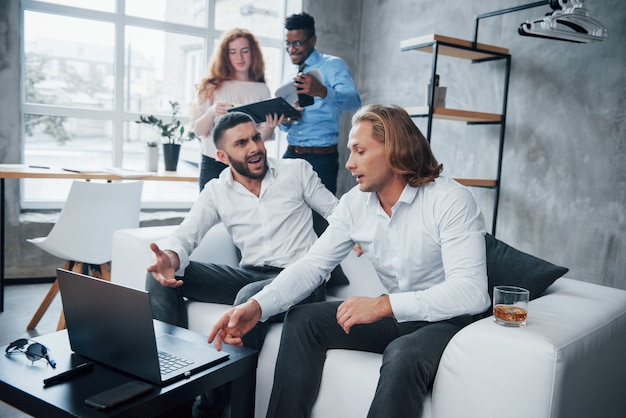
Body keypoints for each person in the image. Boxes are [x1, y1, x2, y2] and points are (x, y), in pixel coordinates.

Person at [208, 104, 491, 418]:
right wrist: (256, 307)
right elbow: (313, 265)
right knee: (304, 320)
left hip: (450, 321)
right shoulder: (354, 204)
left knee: (403, 354)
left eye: (360, 151)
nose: (350, 163)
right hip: (400, 316)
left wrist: (383, 305)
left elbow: (471, 292)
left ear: (394, 149)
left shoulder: (450, 200)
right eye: (350, 151)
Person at [146, 111, 338, 417]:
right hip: (250, 273)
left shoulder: (297, 171)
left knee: (247, 297)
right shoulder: (216, 190)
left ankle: (211, 409)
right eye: (241, 143)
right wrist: (170, 257)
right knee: (160, 277)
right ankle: (173, 393)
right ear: (222, 155)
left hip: (303, 279)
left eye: (256, 137)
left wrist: (358, 235)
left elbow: (337, 213)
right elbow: (187, 233)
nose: (254, 147)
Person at [190, 28, 282, 190]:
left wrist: (270, 125)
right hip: (214, 162)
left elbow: (260, 138)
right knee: (210, 213)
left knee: (245, 213)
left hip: (248, 165)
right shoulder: (211, 86)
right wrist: (212, 111)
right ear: (225, 56)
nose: (239, 57)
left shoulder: (261, 89)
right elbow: (198, 130)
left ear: (253, 53)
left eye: (244, 51)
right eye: (233, 52)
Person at [280, 12, 361, 194]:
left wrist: (323, 91)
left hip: (321, 159)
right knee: (284, 216)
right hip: (290, 154)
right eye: (288, 43)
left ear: (312, 41)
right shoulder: (289, 74)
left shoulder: (333, 65)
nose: (292, 49)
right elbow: (285, 127)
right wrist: (285, 120)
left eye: (297, 43)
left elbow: (354, 102)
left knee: (319, 219)